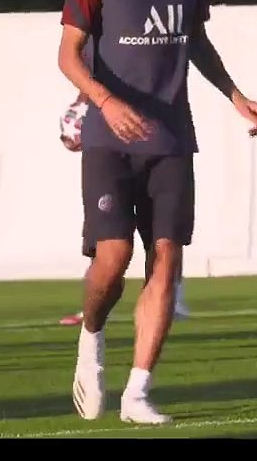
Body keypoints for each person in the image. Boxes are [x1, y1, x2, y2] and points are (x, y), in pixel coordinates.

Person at [58, 0, 257, 425]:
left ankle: (137, 394)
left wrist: (235, 95)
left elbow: (194, 39)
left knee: (167, 259)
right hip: (109, 137)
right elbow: (68, 56)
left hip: (172, 138)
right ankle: (91, 338)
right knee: (114, 256)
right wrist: (105, 102)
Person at [58, 89, 191, 327]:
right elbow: (87, 78)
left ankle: (173, 298)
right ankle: (94, 313)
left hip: (157, 143)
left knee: (164, 237)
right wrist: (79, 112)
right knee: (108, 244)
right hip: (110, 151)